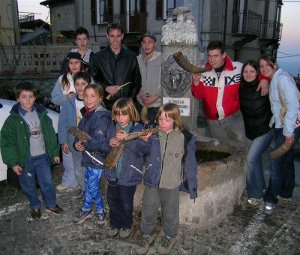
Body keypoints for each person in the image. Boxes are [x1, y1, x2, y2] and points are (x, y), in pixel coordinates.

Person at [136, 103, 198, 255]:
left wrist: (192, 186)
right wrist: (144, 141)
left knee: (170, 211)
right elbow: (141, 152)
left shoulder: (185, 137)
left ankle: (170, 235)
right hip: (152, 179)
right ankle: (146, 234)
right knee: (148, 208)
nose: (162, 123)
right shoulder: (153, 134)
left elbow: (190, 163)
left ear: (175, 120)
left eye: (166, 120)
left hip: (171, 182)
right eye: (160, 119)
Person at [1, 82, 63, 219]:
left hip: (42, 157)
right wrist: (13, 163)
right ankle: (34, 206)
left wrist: (54, 153)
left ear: (35, 98)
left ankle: (51, 204)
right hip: (25, 160)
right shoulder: (12, 120)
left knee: (47, 182)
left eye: (30, 96)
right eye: (24, 97)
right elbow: (7, 143)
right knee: (28, 185)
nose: (27, 99)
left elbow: (51, 135)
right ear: (17, 99)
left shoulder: (42, 115)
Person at [191, 41, 268, 144]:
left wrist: (264, 79)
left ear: (224, 55)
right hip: (213, 122)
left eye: (216, 56)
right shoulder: (203, 72)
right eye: (209, 56)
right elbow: (199, 95)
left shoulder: (238, 68)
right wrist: (196, 82)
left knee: (244, 145)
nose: (212, 60)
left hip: (234, 118)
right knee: (224, 149)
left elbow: (257, 72)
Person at [259, 55, 300, 214]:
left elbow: (293, 106)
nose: (263, 69)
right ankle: (286, 192)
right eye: (261, 67)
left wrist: (288, 132)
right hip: (285, 125)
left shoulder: (281, 79)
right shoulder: (276, 78)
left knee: (276, 162)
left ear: (274, 65)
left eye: (266, 65)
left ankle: (270, 199)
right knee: (287, 161)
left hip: (288, 127)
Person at [105, 97, 149, 238]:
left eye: (124, 114)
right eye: (117, 114)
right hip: (113, 173)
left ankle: (126, 224)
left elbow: (144, 150)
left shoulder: (138, 129)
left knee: (126, 203)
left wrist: (128, 139)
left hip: (129, 174)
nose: (120, 118)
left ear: (131, 114)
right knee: (112, 200)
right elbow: (105, 145)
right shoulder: (112, 127)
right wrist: (109, 142)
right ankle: (115, 223)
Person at [73, 84, 114, 225]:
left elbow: (98, 141)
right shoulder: (87, 114)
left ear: (100, 98)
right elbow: (80, 134)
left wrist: (83, 144)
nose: (88, 99)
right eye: (86, 96)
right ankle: (100, 210)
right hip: (89, 157)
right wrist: (76, 144)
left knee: (91, 185)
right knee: (91, 185)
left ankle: (87, 209)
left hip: (98, 157)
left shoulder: (100, 116)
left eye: (93, 96)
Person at [238, 60, 274, 206]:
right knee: (257, 161)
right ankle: (262, 187)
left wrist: (265, 80)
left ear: (257, 73)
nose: (248, 74)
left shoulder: (265, 86)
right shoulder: (241, 88)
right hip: (250, 132)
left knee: (251, 160)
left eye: (252, 71)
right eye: (245, 71)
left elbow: (271, 77)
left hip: (265, 130)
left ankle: (255, 194)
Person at [89, 23, 142, 110]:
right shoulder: (97, 58)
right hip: (106, 106)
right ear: (107, 36)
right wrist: (105, 87)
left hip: (127, 106)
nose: (115, 40)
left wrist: (129, 99)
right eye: (112, 36)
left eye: (118, 36)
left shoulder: (131, 56)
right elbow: (93, 80)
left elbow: (137, 81)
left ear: (122, 36)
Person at [57, 72, 92, 197]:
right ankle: (84, 189)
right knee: (78, 169)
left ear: (89, 84)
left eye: (83, 84)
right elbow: (62, 123)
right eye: (77, 84)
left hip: (91, 143)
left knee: (91, 169)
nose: (80, 87)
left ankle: (92, 190)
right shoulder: (69, 102)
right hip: (74, 142)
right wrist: (63, 141)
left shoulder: (94, 100)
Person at [137, 32, 162, 127]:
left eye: (150, 42)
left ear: (155, 44)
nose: (146, 45)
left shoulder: (162, 58)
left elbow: (166, 82)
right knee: (140, 131)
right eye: (144, 42)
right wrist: (140, 94)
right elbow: (135, 79)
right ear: (141, 44)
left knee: (153, 132)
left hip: (156, 104)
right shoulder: (137, 59)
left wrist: (156, 96)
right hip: (140, 102)